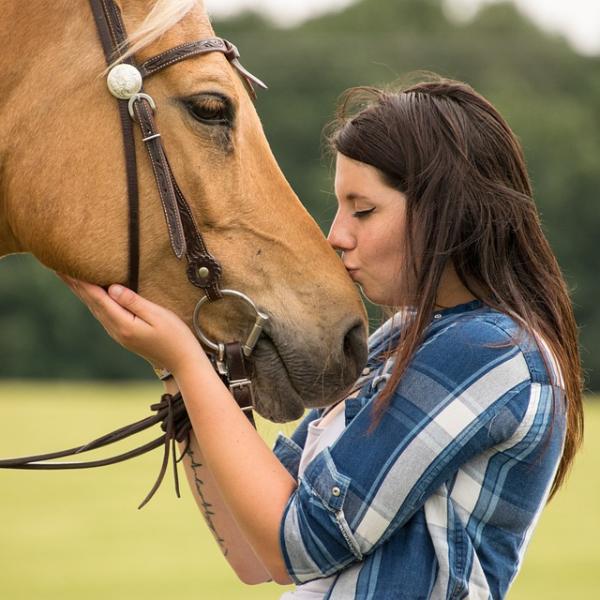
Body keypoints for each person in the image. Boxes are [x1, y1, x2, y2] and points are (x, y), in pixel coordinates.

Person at [62, 76, 583, 599]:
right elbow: (252, 552)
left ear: (447, 210)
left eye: (363, 209)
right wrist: (176, 368)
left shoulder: (489, 351)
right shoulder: (404, 340)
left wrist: (189, 363)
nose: (336, 234)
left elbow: (296, 544)